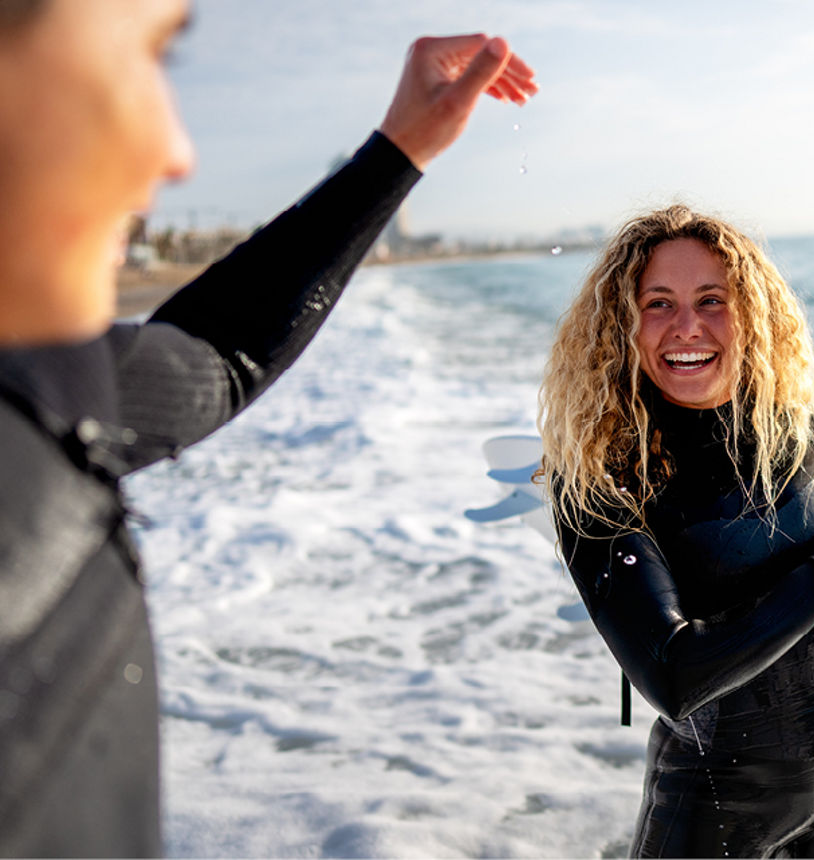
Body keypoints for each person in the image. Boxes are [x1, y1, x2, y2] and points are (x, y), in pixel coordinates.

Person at [0, 0, 537, 855]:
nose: (172, 153)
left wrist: (402, 149)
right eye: (138, 62)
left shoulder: (45, 387)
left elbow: (219, 354)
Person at [538, 204, 814, 858]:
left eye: (711, 299)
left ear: (752, 310)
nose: (686, 326)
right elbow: (674, 676)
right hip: (718, 798)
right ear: (622, 326)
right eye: (657, 303)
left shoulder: (798, 421)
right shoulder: (602, 475)